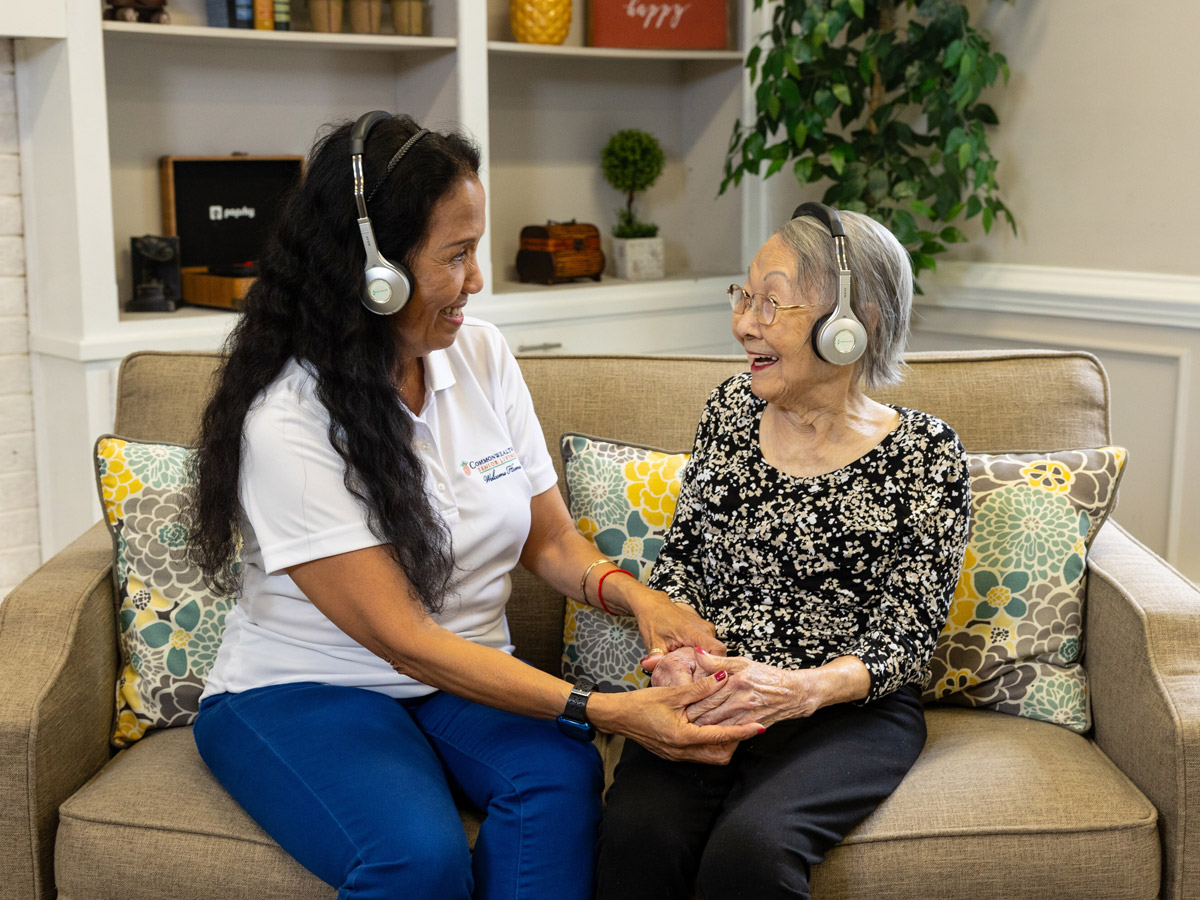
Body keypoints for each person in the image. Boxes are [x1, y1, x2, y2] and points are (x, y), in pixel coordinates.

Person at [184, 111, 762, 900]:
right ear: (374, 272)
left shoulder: (480, 353)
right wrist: (611, 711)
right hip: (305, 691)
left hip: (461, 682)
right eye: (456, 256)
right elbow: (406, 642)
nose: (477, 280)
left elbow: (550, 537)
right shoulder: (288, 420)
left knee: (559, 781)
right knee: (417, 860)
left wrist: (638, 598)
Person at [595, 204, 972, 900]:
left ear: (854, 324)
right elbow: (686, 559)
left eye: (772, 303)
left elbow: (908, 636)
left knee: (753, 851)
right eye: (744, 297)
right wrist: (678, 653)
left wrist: (801, 689)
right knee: (636, 836)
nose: (744, 323)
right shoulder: (730, 410)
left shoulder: (927, 453)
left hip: (843, 712)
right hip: (713, 689)